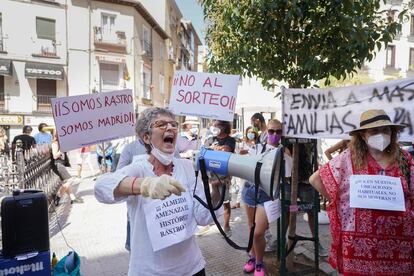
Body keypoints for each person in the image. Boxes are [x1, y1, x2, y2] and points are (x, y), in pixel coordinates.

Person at [94, 107, 223, 275]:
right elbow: (101, 187)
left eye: (173, 125)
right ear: (146, 137)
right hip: (150, 271)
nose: (170, 128)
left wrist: (215, 191)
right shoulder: (138, 168)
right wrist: (145, 185)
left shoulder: (186, 167)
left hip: (193, 268)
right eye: (161, 124)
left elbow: (202, 217)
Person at [309, 109, 414, 275]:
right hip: (359, 249)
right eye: (374, 131)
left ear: (392, 133)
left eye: (386, 130)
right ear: (363, 135)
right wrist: (339, 201)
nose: (381, 135)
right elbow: (315, 179)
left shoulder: (404, 159)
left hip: (398, 248)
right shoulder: (347, 158)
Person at [241, 119, 288, 276]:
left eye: (278, 132)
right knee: (251, 227)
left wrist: (286, 158)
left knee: (258, 232)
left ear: (282, 134)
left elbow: (286, 176)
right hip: (250, 190)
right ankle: (252, 258)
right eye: (271, 131)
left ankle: (260, 262)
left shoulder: (284, 152)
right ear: (266, 131)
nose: (274, 134)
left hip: (267, 195)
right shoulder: (256, 147)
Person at [204, 119, 236, 237]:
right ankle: (208, 221)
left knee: (225, 201)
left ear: (223, 127)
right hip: (212, 175)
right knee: (213, 199)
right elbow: (205, 152)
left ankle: (226, 226)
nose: (214, 127)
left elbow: (227, 149)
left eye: (216, 125)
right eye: (213, 125)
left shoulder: (230, 140)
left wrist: (219, 149)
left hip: (224, 175)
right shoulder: (210, 139)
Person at [231, 126, 259, 209]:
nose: (251, 134)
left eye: (253, 132)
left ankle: (252, 201)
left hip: (254, 166)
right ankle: (238, 202)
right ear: (246, 133)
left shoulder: (257, 144)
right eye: (249, 132)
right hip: (244, 166)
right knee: (242, 184)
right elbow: (239, 152)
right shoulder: (243, 143)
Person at [51, 132, 82, 206]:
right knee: (70, 180)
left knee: (66, 183)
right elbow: (55, 156)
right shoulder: (55, 144)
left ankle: (73, 198)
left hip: (61, 164)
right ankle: (57, 196)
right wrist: (62, 149)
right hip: (58, 164)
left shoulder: (61, 143)